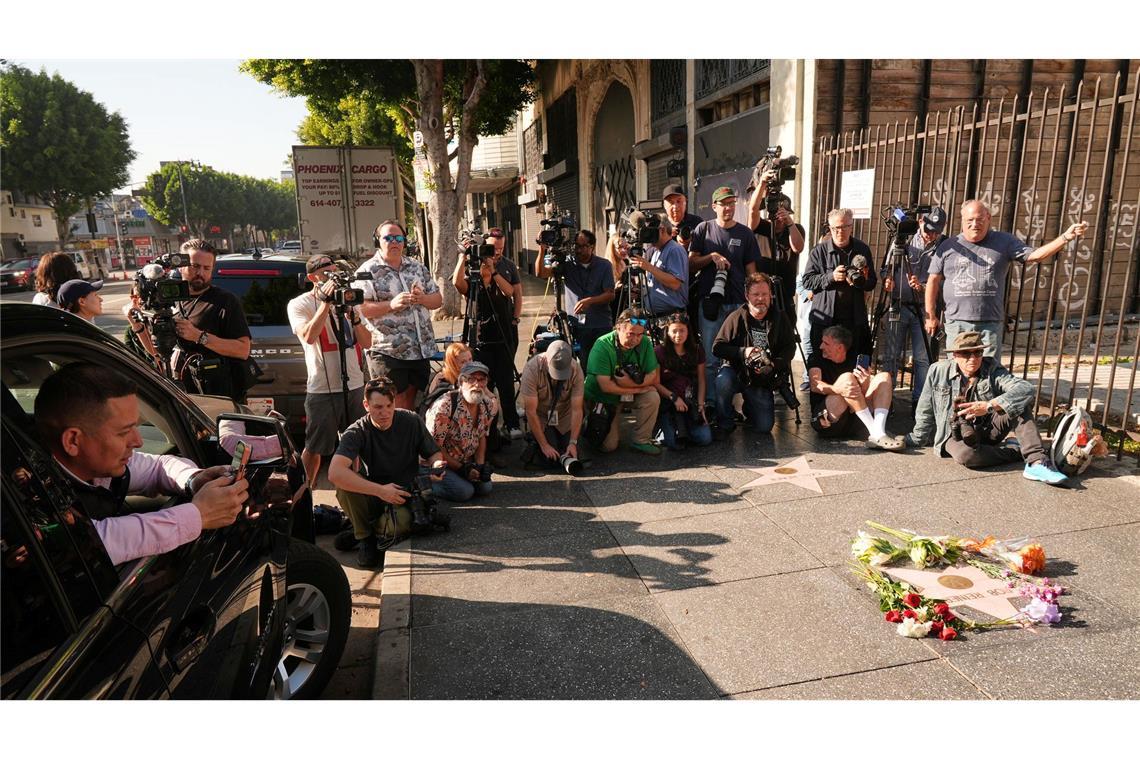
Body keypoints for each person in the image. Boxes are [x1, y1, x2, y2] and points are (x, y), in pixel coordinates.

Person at [33, 363, 248, 565]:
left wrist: (193, 480)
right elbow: (93, 541)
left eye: (136, 427)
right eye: (124, 432)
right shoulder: (31, 497)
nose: (138, 441)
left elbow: (158, 467)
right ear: (73, 441)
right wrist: (198, 515)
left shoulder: (99, 465)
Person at [925, 200, 1089, 364]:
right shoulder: (948, 246)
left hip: (989, 322)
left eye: (979, 219)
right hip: (957, 321)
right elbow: (933, 280)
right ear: (962, 220)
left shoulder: (1004, 241)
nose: (975, 224)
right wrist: (931, 316)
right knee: (957, 368)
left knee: (990, 370)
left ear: (988, 218)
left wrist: (1066, 237)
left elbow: (1035, 256)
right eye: (970, 220)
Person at [905, 331, 1067, 484]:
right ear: (954, 355)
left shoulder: (991, 368)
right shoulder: (938, 370)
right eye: (966, 354)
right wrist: (918, 437)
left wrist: (989, 406)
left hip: (988, 428)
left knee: (1018, 402)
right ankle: (1016, 452)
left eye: (978, 353)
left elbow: (1026, 389)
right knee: (967, 456)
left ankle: (1036, 462)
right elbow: (925, 406)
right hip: (954, 435)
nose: (973, 358)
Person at [328, 377, 447, 567]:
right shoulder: (357, 431)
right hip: (374, 492)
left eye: (389, 406)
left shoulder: (411, 420)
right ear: (366, 405)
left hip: (406, 493)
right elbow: (335, 473)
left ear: (394, 402)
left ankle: (361, 530)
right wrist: (381, 490)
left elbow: (433, 453)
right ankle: (366, 538)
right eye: (377, 407)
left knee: (400, 523)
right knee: (344, 488)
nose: (384, 413)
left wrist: (437, 465)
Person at [287, 254, 373, 489]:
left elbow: (367, 343)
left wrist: (355, 319)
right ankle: (303, 498)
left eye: (334, 271)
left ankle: (354, 496)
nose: (332, 277)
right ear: (312, 278)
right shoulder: (300, 303)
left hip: (354, 384)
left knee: (355, 444)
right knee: (315, 448)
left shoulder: (349, 300)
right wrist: (325, 302)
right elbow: (308, 336)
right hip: (322, 389)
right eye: (326, 273)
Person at [688, 186, 764, 407]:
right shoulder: (703, 229)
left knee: (739, 357)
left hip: (738, 304)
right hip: (710, 303)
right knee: (711, 358)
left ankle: (735, 406)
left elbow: (752, 272)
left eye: (732, 203)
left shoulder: (745, 233)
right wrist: (711, 257)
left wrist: (755, 300)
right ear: (714, 206)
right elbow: (691, 264)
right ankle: (711, 405)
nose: (729, 207)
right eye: (724, 203)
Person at [354, 219, 443, 410]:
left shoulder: (417, 266)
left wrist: (422, 299)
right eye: (388, 238)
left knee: (414, 404)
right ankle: (395, 440)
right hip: (388, 352)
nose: (394, 242)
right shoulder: (367, 271)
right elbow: (359, 308)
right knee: (392, 405)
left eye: (398, 237)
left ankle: (409, 439)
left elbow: (438, 300)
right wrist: (391, 304)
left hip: (420, 349)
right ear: (378, 241)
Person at [711, 273, 796, 437]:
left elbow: (789, 348)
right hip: (736, 372)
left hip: (761, 379)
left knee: (764, 427)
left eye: (764, 294)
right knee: (723, 382)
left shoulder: (779, 317)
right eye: (756, 294)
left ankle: (749, 408)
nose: (760, 299)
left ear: (770, 294)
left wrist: (773, 365)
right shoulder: (736, 317)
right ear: (747, 296)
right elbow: (717, 347)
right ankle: (725, 422)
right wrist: (744, 352)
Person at [170, 239, 253, 402]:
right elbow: (157, 352)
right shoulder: (169, 299)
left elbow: (243, 350)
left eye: (206, 268)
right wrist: (137, 325)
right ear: (180, 266)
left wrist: (199, 336)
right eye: (195, 266)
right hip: (181, 398)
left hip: (220, 398)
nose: (200, 272)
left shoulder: (225, 301)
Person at [880, 207, 947, 405]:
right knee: (891, 356)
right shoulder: (903, 240)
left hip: (924, 310)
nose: (931, 235)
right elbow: (886, 268)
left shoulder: (944, 246)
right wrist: (888, 279)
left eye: (936, 231)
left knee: (922, 357)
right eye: (928, 230)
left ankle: (920, 402)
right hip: (898, 305)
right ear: (920, 223)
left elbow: (947, 282)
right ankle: (886, 399)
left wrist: (924, 287)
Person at [453, 244, 521, 438]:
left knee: (506, 383)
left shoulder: (498, 281)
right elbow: (457, 284)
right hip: (481, 343)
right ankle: (489, 429)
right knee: (484, 385)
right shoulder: (473, 285)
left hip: (502, 340)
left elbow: (510, 292)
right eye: (481, 262)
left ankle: (511, 423)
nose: (483, 264)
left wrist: (493, 270)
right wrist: (462, 258)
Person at [808, 325, 904, 450]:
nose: (821, 346)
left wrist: (865, 384)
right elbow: (815, 385)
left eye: (825, 343)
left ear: (840, 347)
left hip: (856, 421)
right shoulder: (816, 357)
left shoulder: (854, 359)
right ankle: (877, 433)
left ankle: (877, 430)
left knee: (884, 377)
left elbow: (861, 395)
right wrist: (838, 389)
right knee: (847, 378)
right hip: (828, 420)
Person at [583, 307, 661, 455]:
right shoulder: (602, 345)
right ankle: (587, 420)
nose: (635, 340)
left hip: (626, 392)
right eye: (631, 334)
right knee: (608, 447)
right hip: (603, 397)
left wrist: (629, 384)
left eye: (639, 335)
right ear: (618, 328)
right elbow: (606, 386)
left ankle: (641, 440)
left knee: (652, 397)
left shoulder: (644, 343)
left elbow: (654, 376)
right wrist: (637, 388)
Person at [801, 208, 877, 357]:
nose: (840, 232)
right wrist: (831, 277)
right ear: (830, 228)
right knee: (822, 362)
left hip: (853, 320)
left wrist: (860, 281)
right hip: (825, 319)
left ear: (851, 226)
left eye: (844, 227)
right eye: (836, 228)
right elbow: (807, 281)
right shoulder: (819, 251)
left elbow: (872, 282)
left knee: (855, 363)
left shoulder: (862, 249)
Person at [536, 228, 615, 368]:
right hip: (577, 326)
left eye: (583, 246)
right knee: (582, 366)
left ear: (592, 246)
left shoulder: (604, 265)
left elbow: (610, 294)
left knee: (603, 365)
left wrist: (590, 301)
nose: (578, 250)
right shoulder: (568, 264)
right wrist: (542, 249)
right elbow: (541, 273)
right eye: (576, 246)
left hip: (600, 325)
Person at [424, 361, 499, 502]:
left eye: (481, 379)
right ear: (461, 382)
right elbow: (434, 448)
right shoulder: (445, 406)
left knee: (485, 487)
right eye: (471, 379)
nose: (477, 385)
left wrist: (480, 465)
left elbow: (482, 436)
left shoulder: (487, 404)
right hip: (438, 462)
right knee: (465, 492)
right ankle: (424, 484)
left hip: (465, 461)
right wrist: (461, 469)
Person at [747, 171, 806, 316]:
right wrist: (762, 184)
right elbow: (753, 210)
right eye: (777, 215)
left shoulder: (795, 229)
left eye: (783, 215)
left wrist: (789, 223)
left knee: (786, 336)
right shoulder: (761, 226)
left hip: (785, 295)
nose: (779, 220)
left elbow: (798, 248)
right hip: (762, 295)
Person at [519, 339, 585, 468]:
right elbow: (531, 412)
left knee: (570, 452)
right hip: (542, 416)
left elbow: (577, 409)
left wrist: (573, 442)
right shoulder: (531, 369)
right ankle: (537, 442)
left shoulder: (575, 369)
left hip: (565, 415)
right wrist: (544, 445)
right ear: (546, 360)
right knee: (550, 456)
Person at [653, 313, 711, 450]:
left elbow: (702, 379)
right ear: (667, 332)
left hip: (689, 401)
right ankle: (665, 429)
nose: (678, 335)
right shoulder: (658, 351)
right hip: (668, 401)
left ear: (688, 331)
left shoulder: (697, 350)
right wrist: (673, 398)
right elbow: (655, 382)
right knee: (674, 444)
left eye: (682, 330)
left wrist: (701, 405)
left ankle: (685, 429)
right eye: (674, 331)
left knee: (705, 438)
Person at [629, 213, 688, 319]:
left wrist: (648, 267)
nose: (648, 235)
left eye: (650, 231)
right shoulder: (656, 251)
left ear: (662, 230)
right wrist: (639, 291)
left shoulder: (674, 250)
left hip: (671, 317)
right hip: (656, 317)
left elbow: (675, 283)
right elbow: (657, 283)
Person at [486, 226, 524, 351]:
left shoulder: (509, 265)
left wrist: (515, 319)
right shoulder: (478, 265)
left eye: (500, 248)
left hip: (507, 320)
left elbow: (516, 294)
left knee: (509, 355)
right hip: (486, 321)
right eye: (494, 248)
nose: (497, 252)